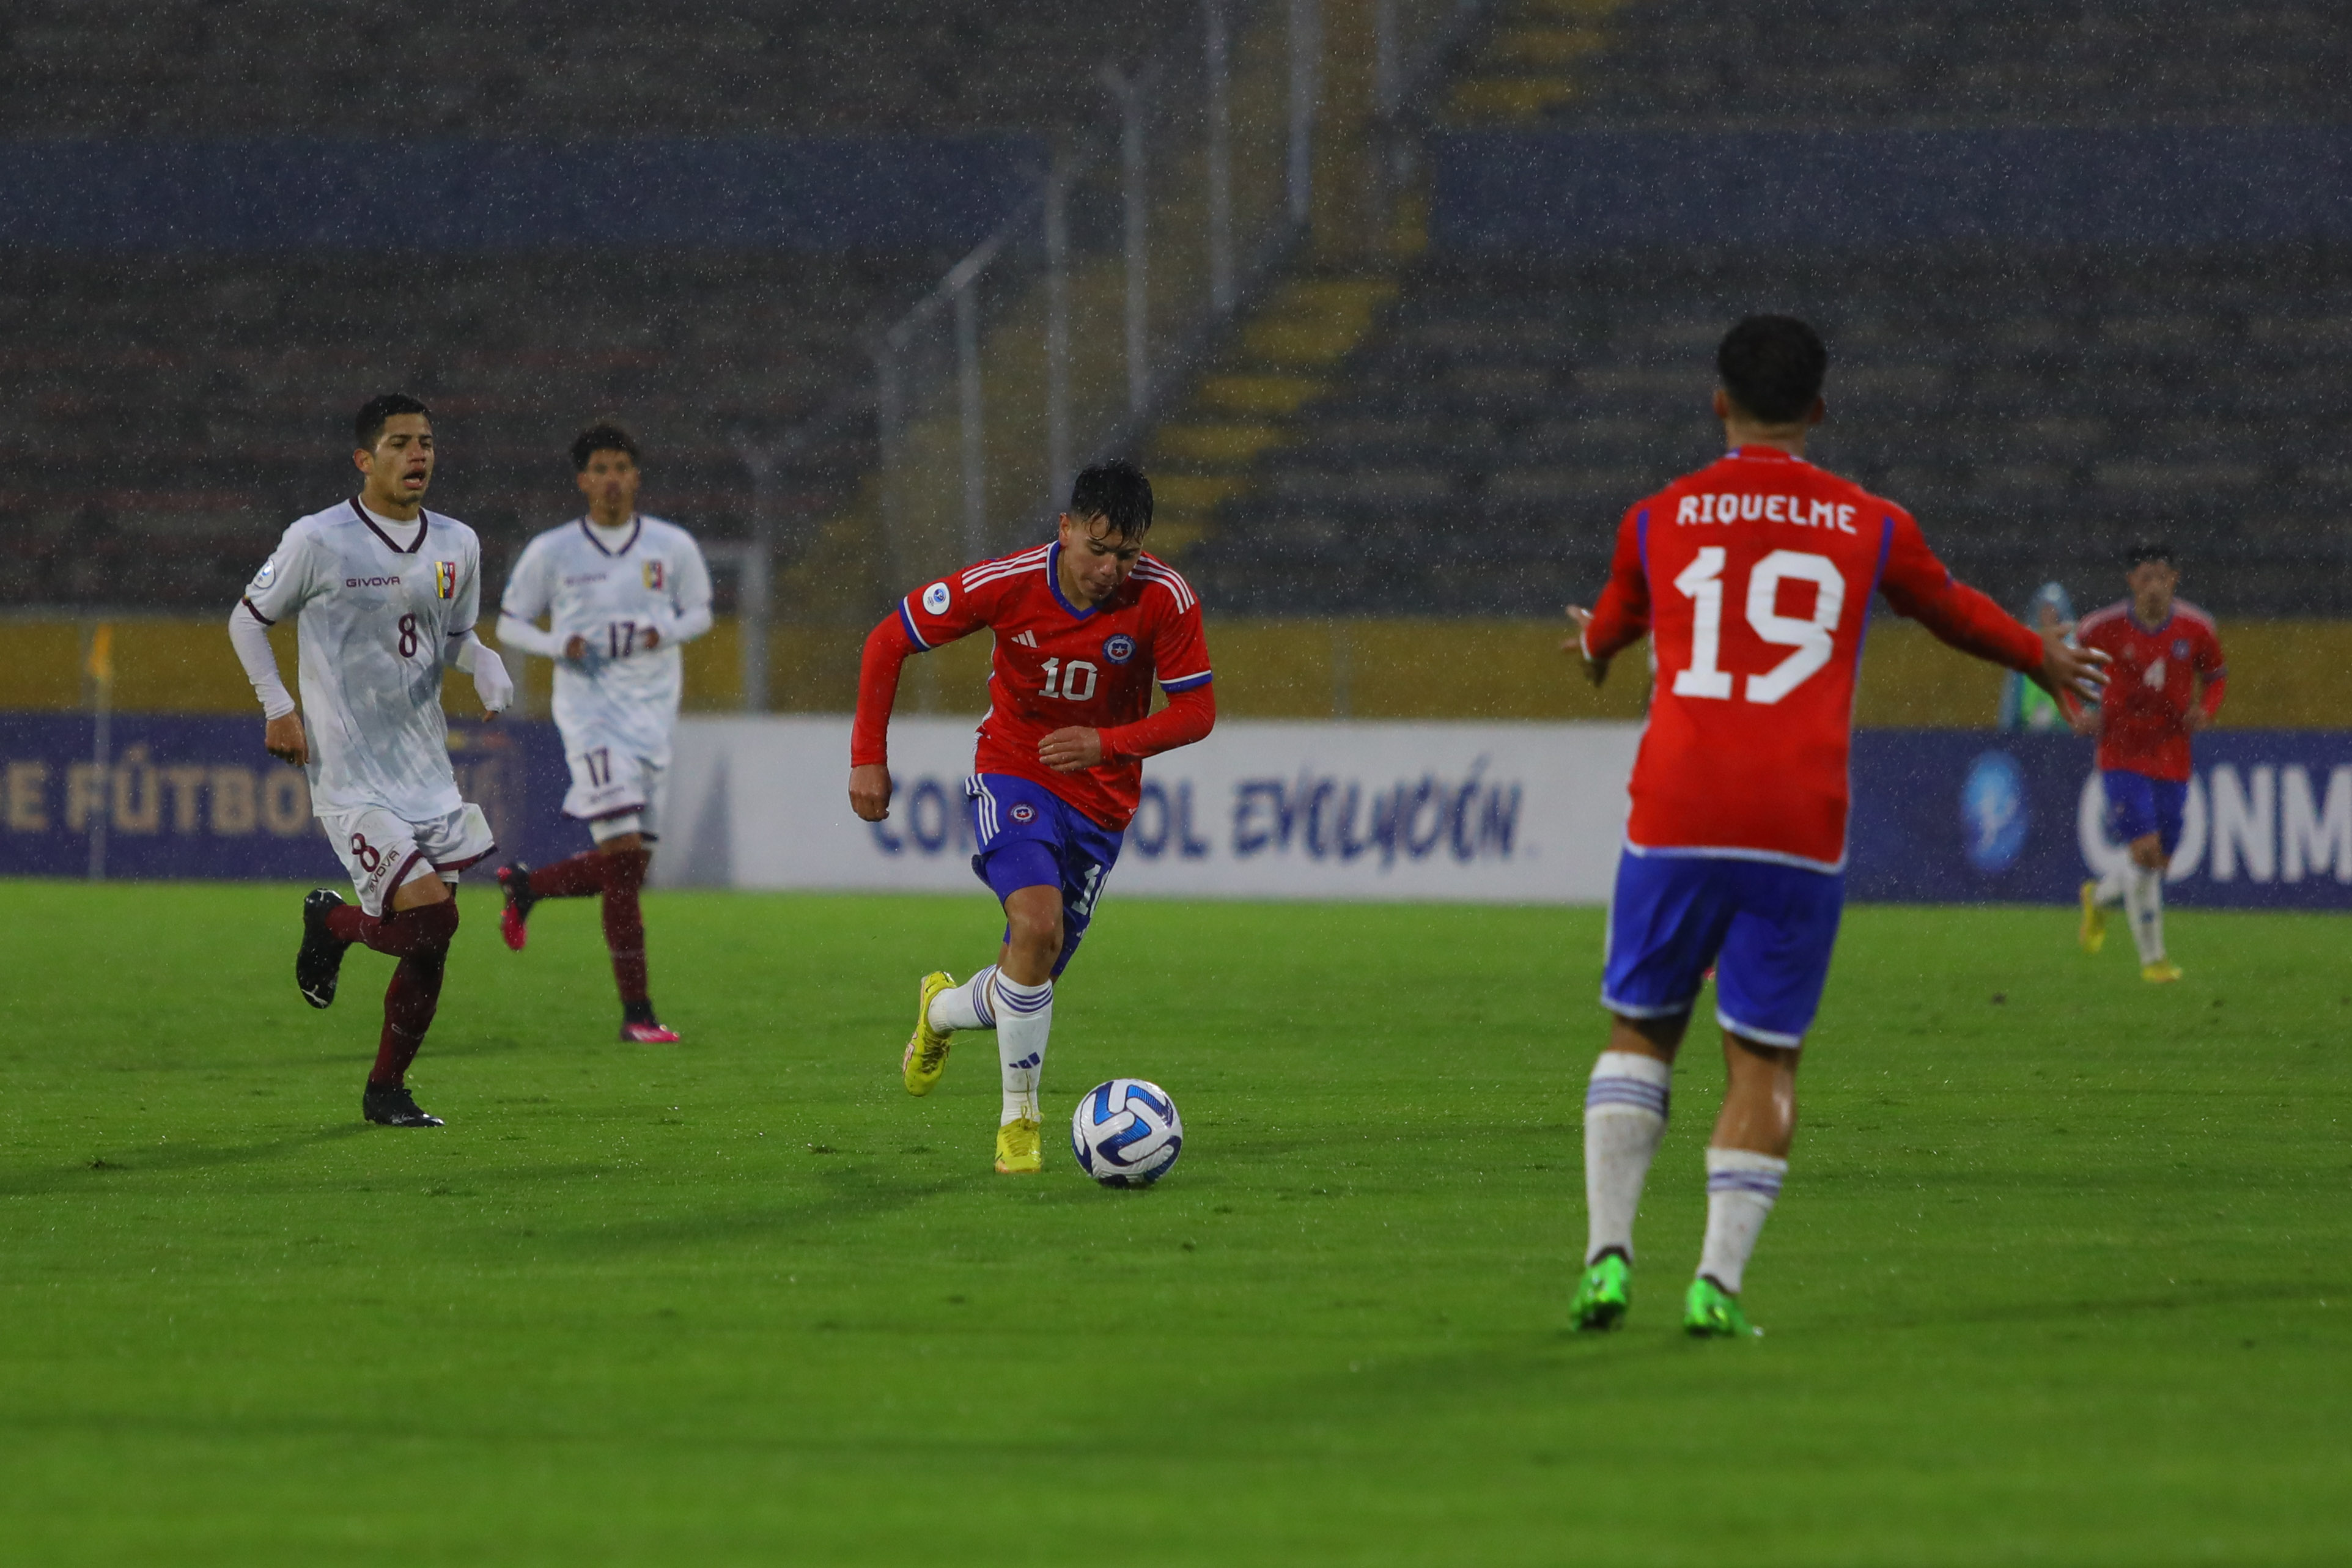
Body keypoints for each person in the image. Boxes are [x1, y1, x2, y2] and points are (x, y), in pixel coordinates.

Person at [1563, 317, 2109, 1336]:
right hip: (1795, 818)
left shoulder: (1657, 518)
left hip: (1677, 807)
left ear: (1716, 402)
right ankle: (1716, 1285)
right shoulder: (1870, 525)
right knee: (1762, 1059)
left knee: (1641, 1031)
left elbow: (1610, 621)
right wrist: (2035, 658)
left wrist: (1593, 649)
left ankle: (1606, 1255)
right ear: (1818, 409)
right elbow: (1947, 609)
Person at [847, 460, 1215, 1174]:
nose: (1110, 570)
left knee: (1030, 975)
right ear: (1065, 529)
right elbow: (887, 639)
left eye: (1126, 555)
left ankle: (942, 1012)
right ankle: (1020, 1121)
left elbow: (1197, 712)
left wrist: (1105, 744)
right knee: (1036, 924)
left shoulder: (1164, 599)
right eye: (1097, 550)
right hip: (1014, 769)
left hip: (1101, 804)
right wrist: (868, 756)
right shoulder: (1007, 582)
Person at [228, 393, 515, 1128]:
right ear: (365, 460)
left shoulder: (458, 542)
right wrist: (278, 707)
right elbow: (248, 619)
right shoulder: (318, 539)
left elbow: (453, 632)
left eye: (425, 442)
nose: (417, 455)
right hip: (352, 774)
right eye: (398, 444)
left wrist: (480, 660)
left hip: (426, 771)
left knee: (430, 948)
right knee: (432, 920)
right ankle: (331, 924)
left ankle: (386, 1091)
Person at [490, 424, 714, 1042]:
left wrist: (660, 632)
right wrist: (557, 641)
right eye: (600, 468)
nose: (612, 478)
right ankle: (637, 1015)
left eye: (622, 466)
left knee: (629, 871)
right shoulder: (554, 551)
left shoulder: (671, 547)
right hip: (591, 719)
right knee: (621, 864)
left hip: (652, 719)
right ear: (582, 480)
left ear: (635, 477)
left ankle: (528, 885)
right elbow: (510, 623)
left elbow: (700, 612)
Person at [2070, 545, 2225, 982]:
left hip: (2173, 755)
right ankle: (2153, 961)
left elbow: (2215, 675)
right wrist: (2078, 710)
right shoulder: (2101, 628)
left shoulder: (2196, 628)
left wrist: (2207, 708)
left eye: (2161, 577)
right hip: (2120, 753)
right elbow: (2063, 669)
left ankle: (2098, 898)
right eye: (2145, 577)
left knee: (2157, 863)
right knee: (2144, 850)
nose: (2153, 586)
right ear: (2131, 582)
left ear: (2173, 579)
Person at [1998, 582, 2077, 731]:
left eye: (2053, 610)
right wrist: (2008, 731)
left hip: (2064, 734)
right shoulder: (2024, 650)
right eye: (2045, 610)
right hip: (2027, 732)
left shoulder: (2072, 652)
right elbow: (2012, 699)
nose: (2048, 615)